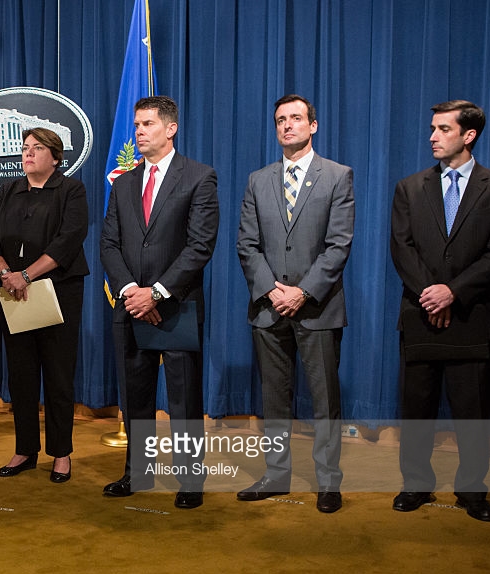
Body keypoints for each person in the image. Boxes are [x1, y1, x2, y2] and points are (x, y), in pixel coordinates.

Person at [390, 100, 490, 523]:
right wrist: (431, 293)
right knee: (417, 408)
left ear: (469, 136)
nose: (432, 136)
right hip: (420, 312)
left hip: (472, 317)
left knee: (473, 412)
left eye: (443, 129)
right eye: (432, 128)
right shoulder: (409, 187)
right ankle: (415, 483)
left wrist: (454, 292)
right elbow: (402, 248)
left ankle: (472, 491)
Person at [99, 95, 219, 509]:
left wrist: (158, 292)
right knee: (135, 395)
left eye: (148, 124)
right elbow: (109, 244)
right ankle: (139, 473)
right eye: (136, 125)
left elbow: (200, 246)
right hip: (130, 305)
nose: (140, 132)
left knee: (184, 399)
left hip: (176, 306)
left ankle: (190, 480)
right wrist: (133, 291)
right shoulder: (124, 182)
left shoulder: (200, 177)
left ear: (171, 128)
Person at [235, 94, 354, 514]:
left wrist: (302, 292)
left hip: (318, 309)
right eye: (281, 120)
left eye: (296, 118)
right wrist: (272, 290)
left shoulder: (338, 177)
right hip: (269, 309)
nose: (288, 126)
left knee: (324, 402)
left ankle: (328, 482)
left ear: (313, 126)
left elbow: (338, 246)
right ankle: (276, 474)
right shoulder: (257, 179)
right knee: (274, 400)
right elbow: (247, 245)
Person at [0, 128, 89, 484]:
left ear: (55, 157)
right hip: (13, 294)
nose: (28, 153)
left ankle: (61, 454)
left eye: (37, 148)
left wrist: (26, 275)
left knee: (58, 376)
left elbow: (68, 240)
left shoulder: (71, 190)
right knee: (22, 375)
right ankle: (25, 450)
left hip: (57, 293)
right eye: (25, 148)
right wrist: (7, 273)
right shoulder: (9, 189)